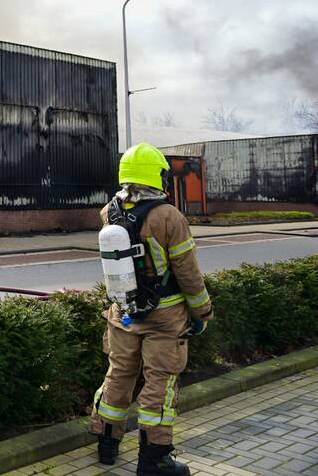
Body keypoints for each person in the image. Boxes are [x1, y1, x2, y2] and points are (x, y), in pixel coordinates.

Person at [90, 143, 214, 476]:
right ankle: (154, 459)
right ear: (155, 175)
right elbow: (188, 273)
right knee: (159, 383)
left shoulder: (109, 212)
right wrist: (203, 314)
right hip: (165, 316)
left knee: (118, 375)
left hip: (123, 311)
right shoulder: (168, 216)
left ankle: (106, 444)